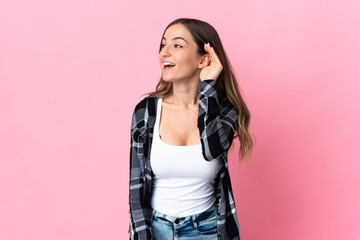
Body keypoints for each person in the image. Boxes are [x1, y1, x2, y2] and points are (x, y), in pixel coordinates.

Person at [129, 18, 254, 240]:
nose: (165, 52)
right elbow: (136, 189)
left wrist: (207, 88)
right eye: (163, 44)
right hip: (155, 229)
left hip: (206, 230)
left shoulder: (225, 110)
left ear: (203, 60)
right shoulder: (146, 111)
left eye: (177, 45)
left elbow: (212, 149)